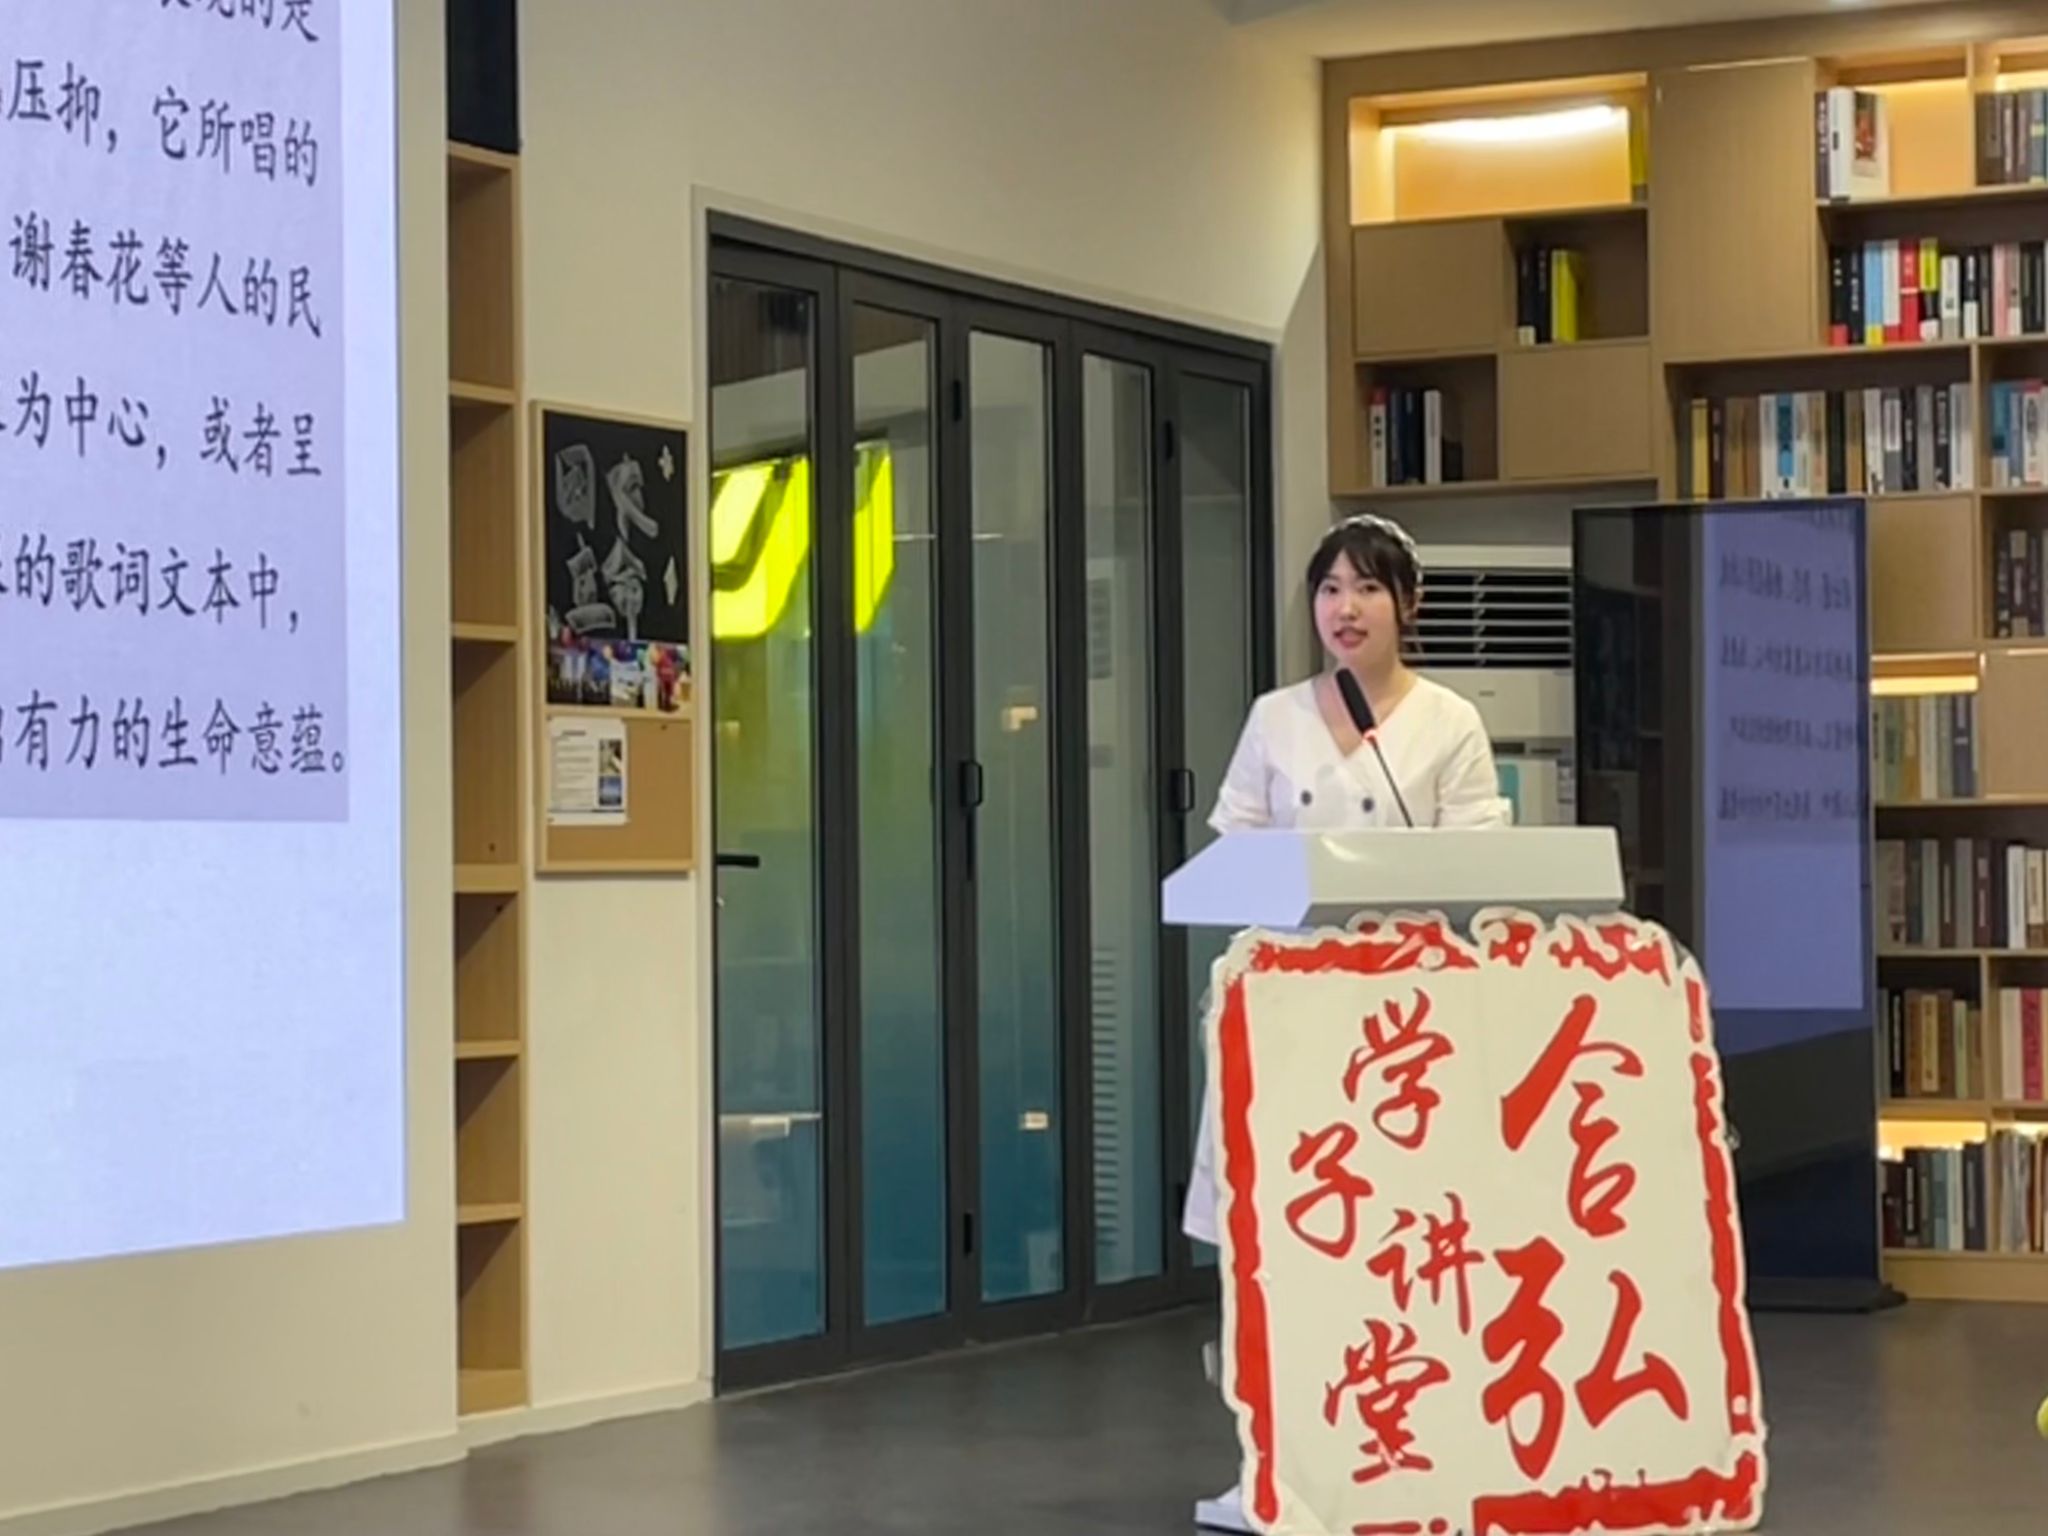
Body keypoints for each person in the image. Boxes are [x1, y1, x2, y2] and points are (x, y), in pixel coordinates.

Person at [1189, 511, 1509, 1533]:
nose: (1345, 607)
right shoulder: (1274, 717)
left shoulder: (1448, 721)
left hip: (1406, 1024)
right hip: (1289, 1015)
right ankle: (1274, 1464)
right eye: (1329, 588)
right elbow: (1231, 853)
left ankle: (1408, 1453)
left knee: (1398, 1242)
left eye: (1367, 587)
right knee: (1279, 1244)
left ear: (1407, 604)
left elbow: (1481, 869)